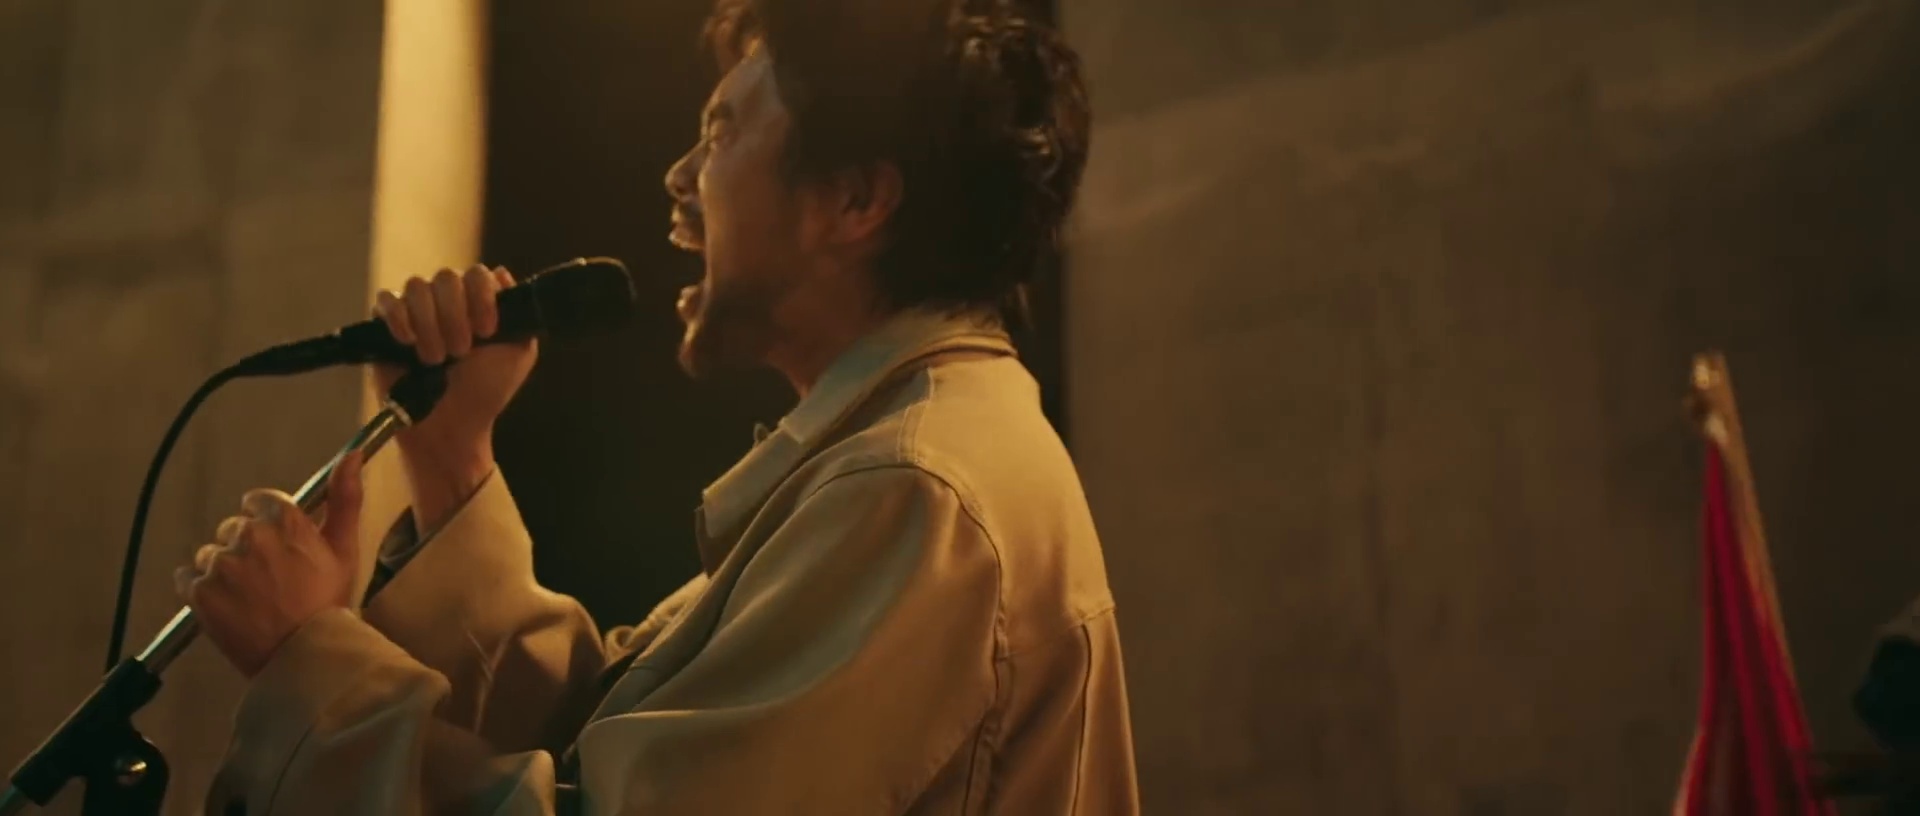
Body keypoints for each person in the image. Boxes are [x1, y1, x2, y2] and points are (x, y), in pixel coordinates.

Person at [172, 0, 1138, 812]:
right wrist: (451, 452)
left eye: (720, 135)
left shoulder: (915, 489)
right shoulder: (896, 456)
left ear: (854, 201)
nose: (680, 180)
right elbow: (609, 738)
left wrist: (311, 665)